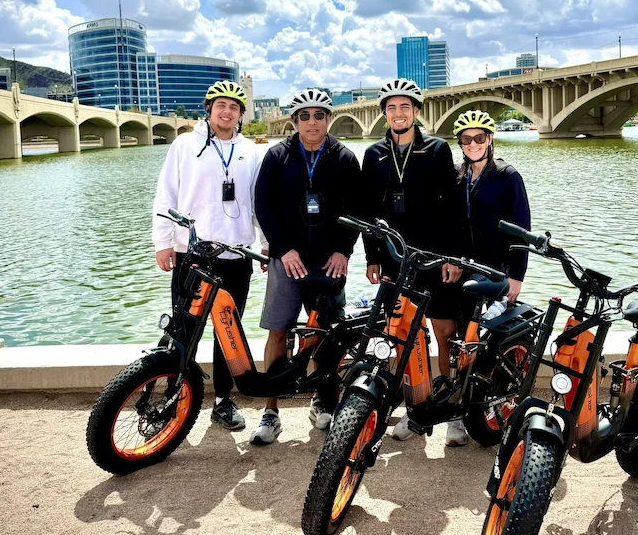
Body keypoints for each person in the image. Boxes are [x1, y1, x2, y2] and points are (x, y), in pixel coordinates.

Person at [152, 80, 264, 431]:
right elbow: (165, 195)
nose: (227, 112)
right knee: (184, 329)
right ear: (209, 109)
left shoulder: (251, 151)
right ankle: (172, 397)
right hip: (193, 254)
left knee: (228, 332)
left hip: (236, 256)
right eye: (220, 106)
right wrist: (163, 242)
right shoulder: (185, 145)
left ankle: (222, 401)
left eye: (234, 107)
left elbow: (259, 202)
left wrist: (265, 244)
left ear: (241, 114)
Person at [252, 88, 362, 445]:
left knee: (329, 337)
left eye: (319, 115)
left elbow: (357, 211)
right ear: (294, 120)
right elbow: (264, 207)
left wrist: (343, 251)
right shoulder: (277, 157)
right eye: (304, 116)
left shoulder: (345, 158)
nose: (312, 122)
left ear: (328, 119)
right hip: (288, 261)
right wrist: (283, 250)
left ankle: (322, 400)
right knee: (278, 332)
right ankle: (271, 411)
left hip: (329, 263)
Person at [360, 78, 466, 446]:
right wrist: (372, 255)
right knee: (400, 335)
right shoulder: (373, 154)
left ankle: (452, 411)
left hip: (434, 259)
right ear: (384, 114)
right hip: (393, 259)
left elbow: (452, 209)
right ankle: (415, 409)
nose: (398, 113)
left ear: (417, 112)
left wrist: (453, 258)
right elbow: (368, 211)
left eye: (405, 106)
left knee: (445, 333)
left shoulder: (437, 150)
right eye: (391, 107)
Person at [452, 110, 531, 319]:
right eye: (466, 139)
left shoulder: (507, 176)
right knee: (465, 333)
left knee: (498, 335)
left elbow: (522, 230)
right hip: (466, 265)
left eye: (479, 138)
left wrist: (517, 276)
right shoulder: (457, 175)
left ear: (490, 139)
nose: (473, 144)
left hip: (499, 268)